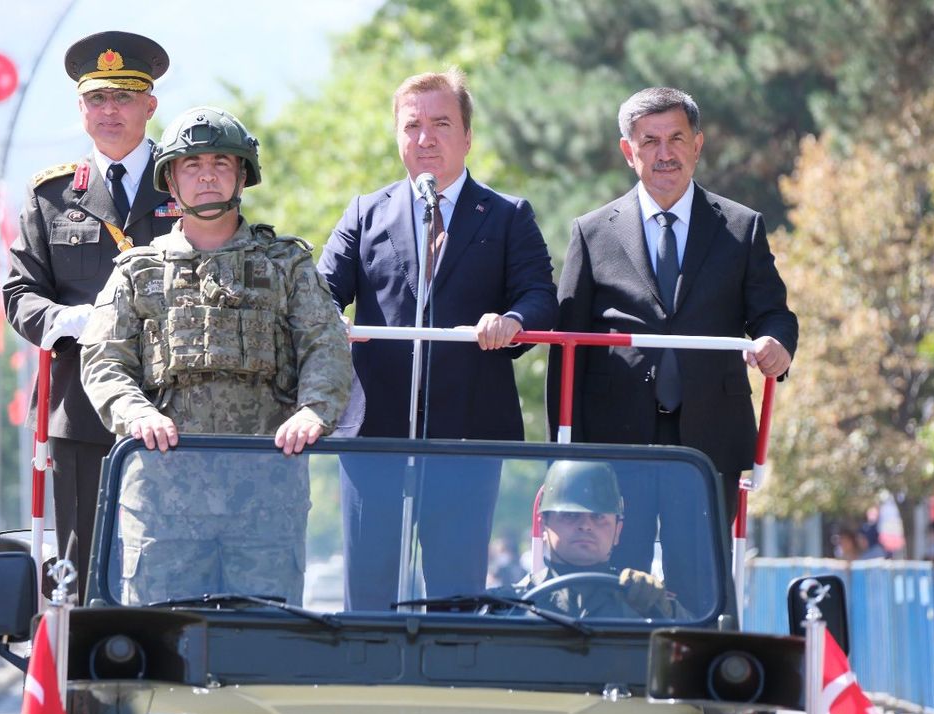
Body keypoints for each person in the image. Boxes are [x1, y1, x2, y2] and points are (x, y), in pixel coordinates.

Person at [79, 107, 351, 605]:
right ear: (171, 181)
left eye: (221, 163)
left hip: (266, 498)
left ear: (242, 176)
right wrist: (136, 413)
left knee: (265, 637)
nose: (207, 175)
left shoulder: (286, 265)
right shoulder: (137, 271)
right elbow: (103, 359)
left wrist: (314, 410)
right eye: (192, 164)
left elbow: (325, 345)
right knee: (161, 639)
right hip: (163, 502)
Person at [317, 69, 557, 609]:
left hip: (466, 436)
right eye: (412, 126)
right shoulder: (365, 212)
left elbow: (540, 296)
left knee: (456, 596)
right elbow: (319, 292)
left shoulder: (507, 216)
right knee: (368, 596)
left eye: (441, 124)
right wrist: (331, 320)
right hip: (375, 435)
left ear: (467, 136)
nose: (425, 138)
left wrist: (511, 320)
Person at [545, 87, 798, 590]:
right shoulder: (592, 233)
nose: (665, 154)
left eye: (677, 139)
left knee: (701, 587)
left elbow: (774, 315)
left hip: (710, 440)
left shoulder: (741, 228)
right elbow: (566, 346)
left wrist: (777, 345)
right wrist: (565, 454)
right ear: (628, 151)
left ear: (697, 145)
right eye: (650, 141)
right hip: (615, 447)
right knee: (614, 587)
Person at [3, 31, 177, 599]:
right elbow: (20, 293)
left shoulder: (188, 183)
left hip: (174, 400)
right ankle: (86, 656)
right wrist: (68, 320)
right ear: (81, 109)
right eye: (97, 98)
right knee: (84, 562)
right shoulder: (52, 195)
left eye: (124, 97)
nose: (110, 110)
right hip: (81, 407)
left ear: (150, 105)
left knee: (171, 558)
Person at [509, 460, 689, 620]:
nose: (585, 525)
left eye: (598, 517)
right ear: (543, 525)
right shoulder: (514, 601)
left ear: (617, 531)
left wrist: (668, 610)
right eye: (570, 515)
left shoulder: (642, 598)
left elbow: (692, 636)